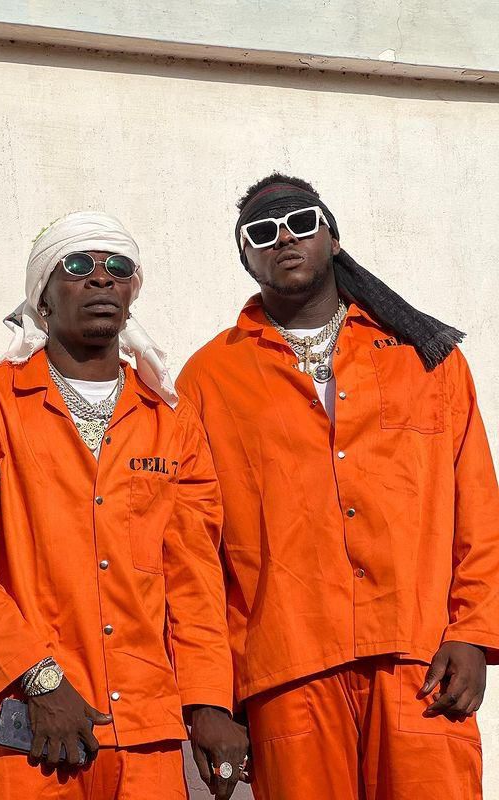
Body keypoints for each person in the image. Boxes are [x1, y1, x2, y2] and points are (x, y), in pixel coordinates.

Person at [177, 174, 499, 800]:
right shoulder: (209, 380)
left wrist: (474, 632)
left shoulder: (424, 356)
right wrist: (208, 698)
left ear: (333, 237)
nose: (284, 239)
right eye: (262, 232)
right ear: (244, 259)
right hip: (286, 670)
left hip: (419, 660)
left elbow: (478, 508)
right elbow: (193, 552)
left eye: (301, 223)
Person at [0, 211, 248, 800]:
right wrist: (39, 679)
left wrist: (208, 703)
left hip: (145, 727)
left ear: (131, 292)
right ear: (42, 296)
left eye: (117, 267)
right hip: (29, 728)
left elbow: (193, 574)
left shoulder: (171, 420)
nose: (101, 278)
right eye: (77, 265)